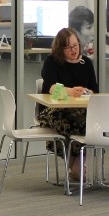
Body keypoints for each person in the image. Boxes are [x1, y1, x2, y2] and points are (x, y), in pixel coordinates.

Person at [36, 28, 98, 182]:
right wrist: (70, 91)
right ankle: (75, 165)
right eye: (69, 47)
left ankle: (77, 165)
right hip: (53, 111)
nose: (74, 50)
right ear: (60, 48)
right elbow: (49, 88)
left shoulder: (86, 63)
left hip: (81, 110)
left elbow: (95, 90)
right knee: (66, 123)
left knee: (90, 123)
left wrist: (86, 91)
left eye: (76, 45)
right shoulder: (52, 62)